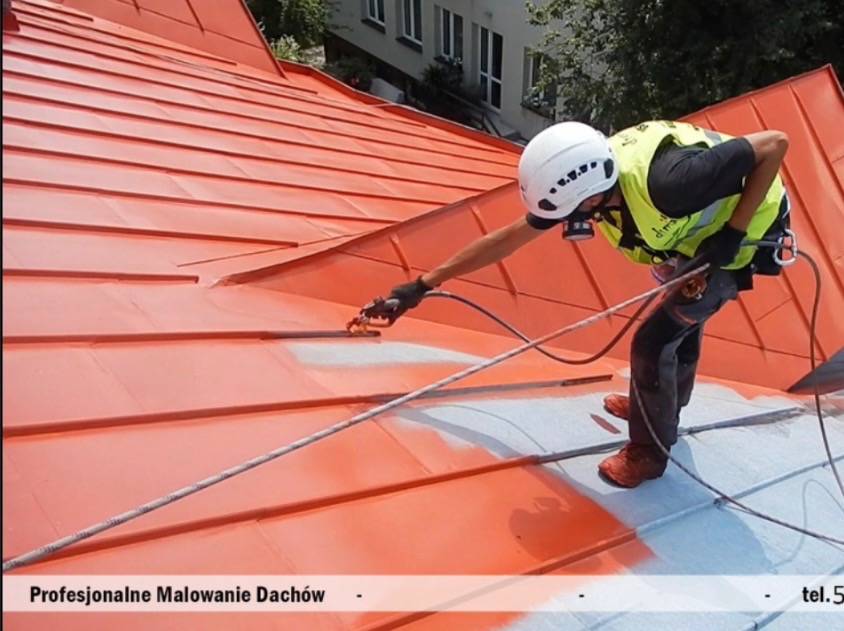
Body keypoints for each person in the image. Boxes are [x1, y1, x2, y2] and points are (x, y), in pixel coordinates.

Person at [370, 119, 790, 488]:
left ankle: (649, 453)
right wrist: (422, 285)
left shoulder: (668, 185)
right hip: (702, 236)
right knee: (679, 326)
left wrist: (733, 234)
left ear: (592, 197)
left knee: (653, 340)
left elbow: (774, 144)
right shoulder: (587, 179)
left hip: (747, 233)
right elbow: (506, 240)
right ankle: (660, 409)